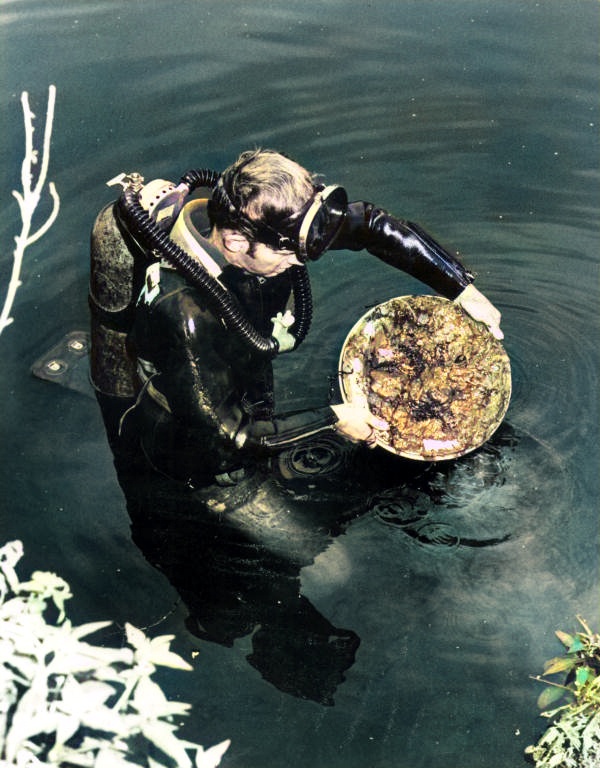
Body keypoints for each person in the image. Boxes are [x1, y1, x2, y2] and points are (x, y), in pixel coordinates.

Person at [101, 148, 503, 490]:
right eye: (289, 256)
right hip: (193, 439)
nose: (299, 264)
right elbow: (228, 432)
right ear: (235, 241)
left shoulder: (269, 224)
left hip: (242, 369)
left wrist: (461, 288)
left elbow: (371, 227)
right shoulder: (186, 313)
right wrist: (334, 419)